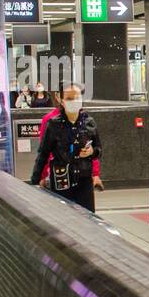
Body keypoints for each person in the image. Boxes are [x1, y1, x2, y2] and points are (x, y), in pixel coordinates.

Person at [29, 83, 101, 212]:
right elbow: (43, 154)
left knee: (88, 218)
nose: (74, 101)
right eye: (69, 98)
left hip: (84, 179)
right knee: (63, 217)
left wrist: (92, 152)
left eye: (77, 97)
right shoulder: (53, 124)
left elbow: (98, 150)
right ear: (61, 101)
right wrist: (35, 180)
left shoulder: (89, 122)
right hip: (61, 179)